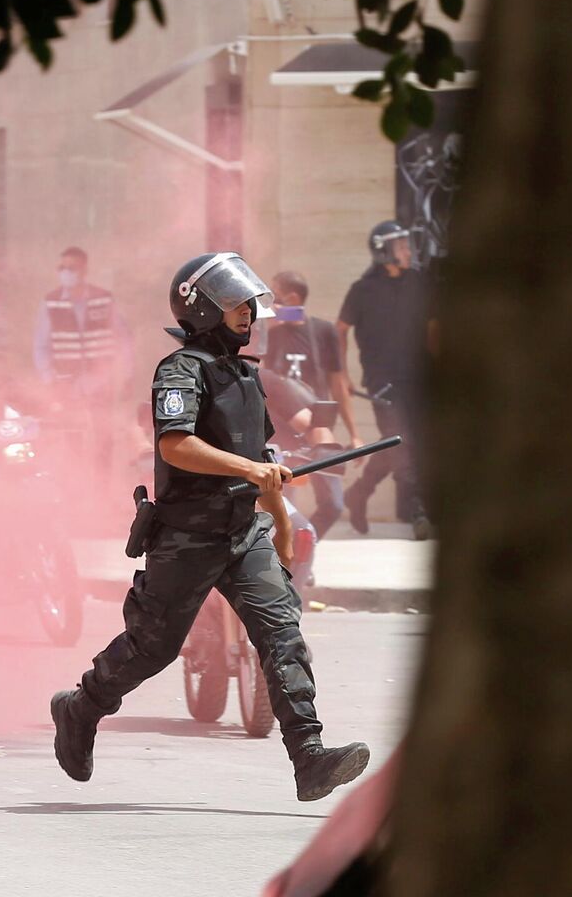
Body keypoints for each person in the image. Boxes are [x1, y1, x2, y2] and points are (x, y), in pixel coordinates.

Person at [50, 252, 370, 802]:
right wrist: (249, 469)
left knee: (283, 635)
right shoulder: (180, 370)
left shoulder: (245, 376)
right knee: (152, 648)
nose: (248, 311)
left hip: (244, 533)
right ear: (202, 309)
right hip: (187, 536)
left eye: (249, 302)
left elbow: (262, 461)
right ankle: (81, 707)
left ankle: (310, 758)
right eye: (235, 303)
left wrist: (277, 518)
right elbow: (177, 445)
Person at [336, 221, 434, 537]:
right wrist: (343, 375)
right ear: (383, 251)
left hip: (419, 378)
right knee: (402, 443)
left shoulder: (419, 282)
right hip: (383, 383)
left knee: (400, 442)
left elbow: (433, 327)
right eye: (401, 245)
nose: (407, 250)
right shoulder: (362, 290)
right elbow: (340, 331)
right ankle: (418, 512)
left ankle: (359, 492)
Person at [32, 246, 133, 492]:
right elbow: (41, 346)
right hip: (66, 385)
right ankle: (75, 491)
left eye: (72, 267)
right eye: (62, 267)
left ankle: (101, 490)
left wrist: (124, 374)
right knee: (71, 438)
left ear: (84, 270)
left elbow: (123, 339)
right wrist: (49, 380)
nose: (66, 273)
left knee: (103, 438)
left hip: (100, 382)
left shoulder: (103, 300)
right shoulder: (51, 302)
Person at [263, 270, 356, 533]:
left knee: (333, 504)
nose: (270, 303)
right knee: (284, 508)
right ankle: (288, 553)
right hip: (281, 434)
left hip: (317, 430)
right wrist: (267, 326)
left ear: (292, 298)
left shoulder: (324, 331)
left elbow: (338, 385)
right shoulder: (270, 333)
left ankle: (305, 544)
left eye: (275, 296)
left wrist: (354, 434)